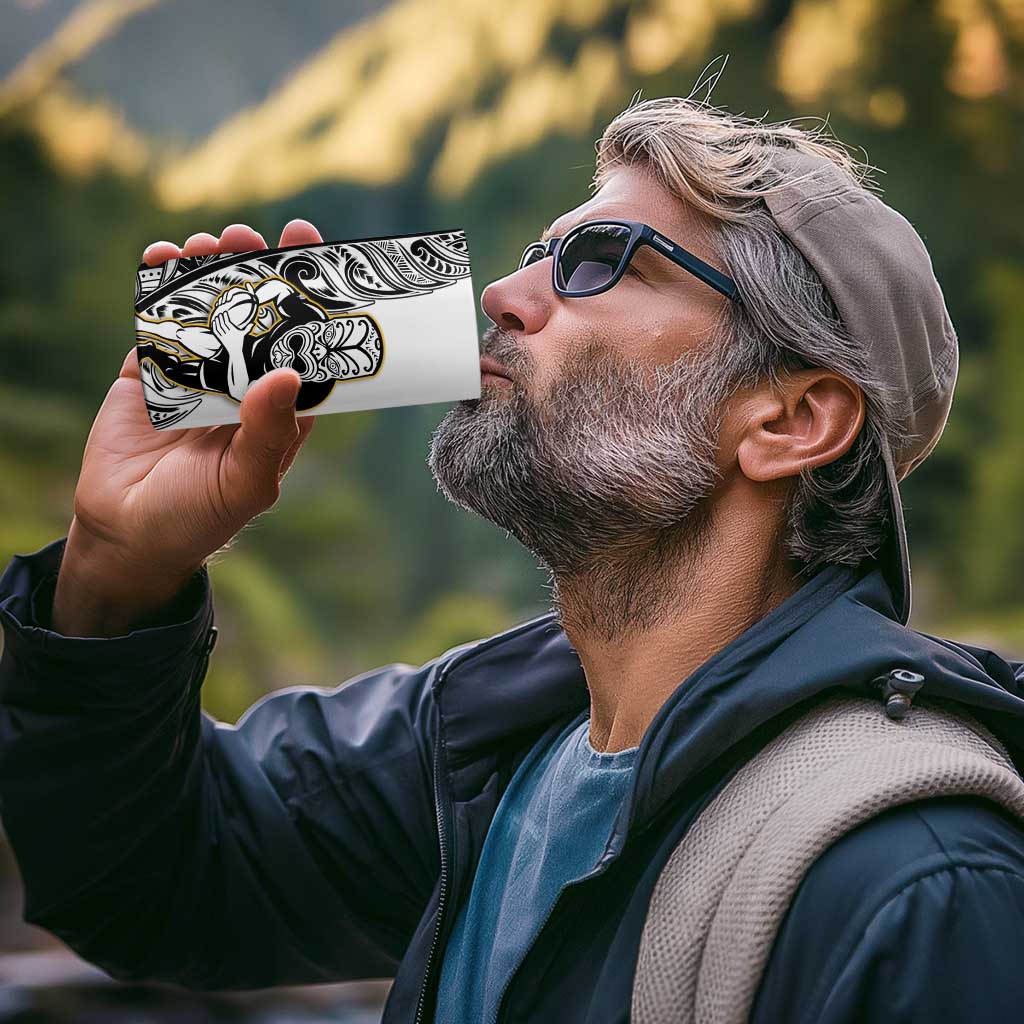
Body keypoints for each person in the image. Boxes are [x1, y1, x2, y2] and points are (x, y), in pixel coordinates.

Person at [2, 94, 1024, 1024]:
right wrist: (116, 571)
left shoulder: (918, 883)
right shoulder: (481, 747)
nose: (502, 291)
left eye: (599, 262)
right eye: (539, 252)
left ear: (791, 419)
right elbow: (149, 880)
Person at [137, 276, 382, 411]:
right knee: (184, 336)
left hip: (229, 374)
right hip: (243, 344)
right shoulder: (311, 316)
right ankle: (147, 327)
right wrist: (251, 300)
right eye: (329, 337)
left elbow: (242, 393)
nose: (317, 348)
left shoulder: (314, 393)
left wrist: (234, 346)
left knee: (173, 368)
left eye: (330, 360)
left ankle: (151, 352)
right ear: (330, 325)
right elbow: (279, 288)